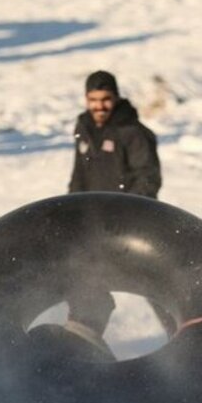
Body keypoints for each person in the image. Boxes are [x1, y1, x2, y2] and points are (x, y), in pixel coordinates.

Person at [65, 70, 175, 337]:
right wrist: (69, 212)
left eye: (105, 99)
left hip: (132, 226)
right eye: (93, 99)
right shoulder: (84, 128)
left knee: (157, 287)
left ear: (115, 98)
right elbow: (79, 176)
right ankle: (81, 338)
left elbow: (148, 180)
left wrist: (124, 213)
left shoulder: (134, 133)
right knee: (84, 280)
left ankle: (185, 340)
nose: (99, 106)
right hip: (94, 226)